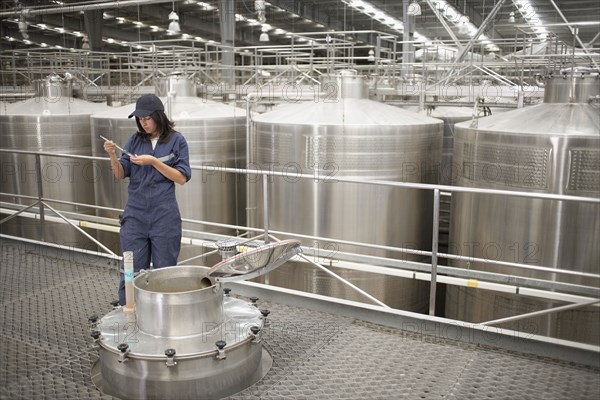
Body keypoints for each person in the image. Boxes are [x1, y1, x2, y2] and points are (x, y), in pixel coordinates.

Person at [103, 94, 192, 305]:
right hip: (135, 214)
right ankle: (130, 314)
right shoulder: (135, 140)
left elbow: (181, 178)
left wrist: (153, 161)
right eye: (139, 118)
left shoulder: (176, 140)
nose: (142, 122)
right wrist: (112, 156)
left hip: (164, 215)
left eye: (147, 118)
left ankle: (164, 316)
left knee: (165, 273)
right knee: (130, 270)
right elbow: (119, 174)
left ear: (158, 116)